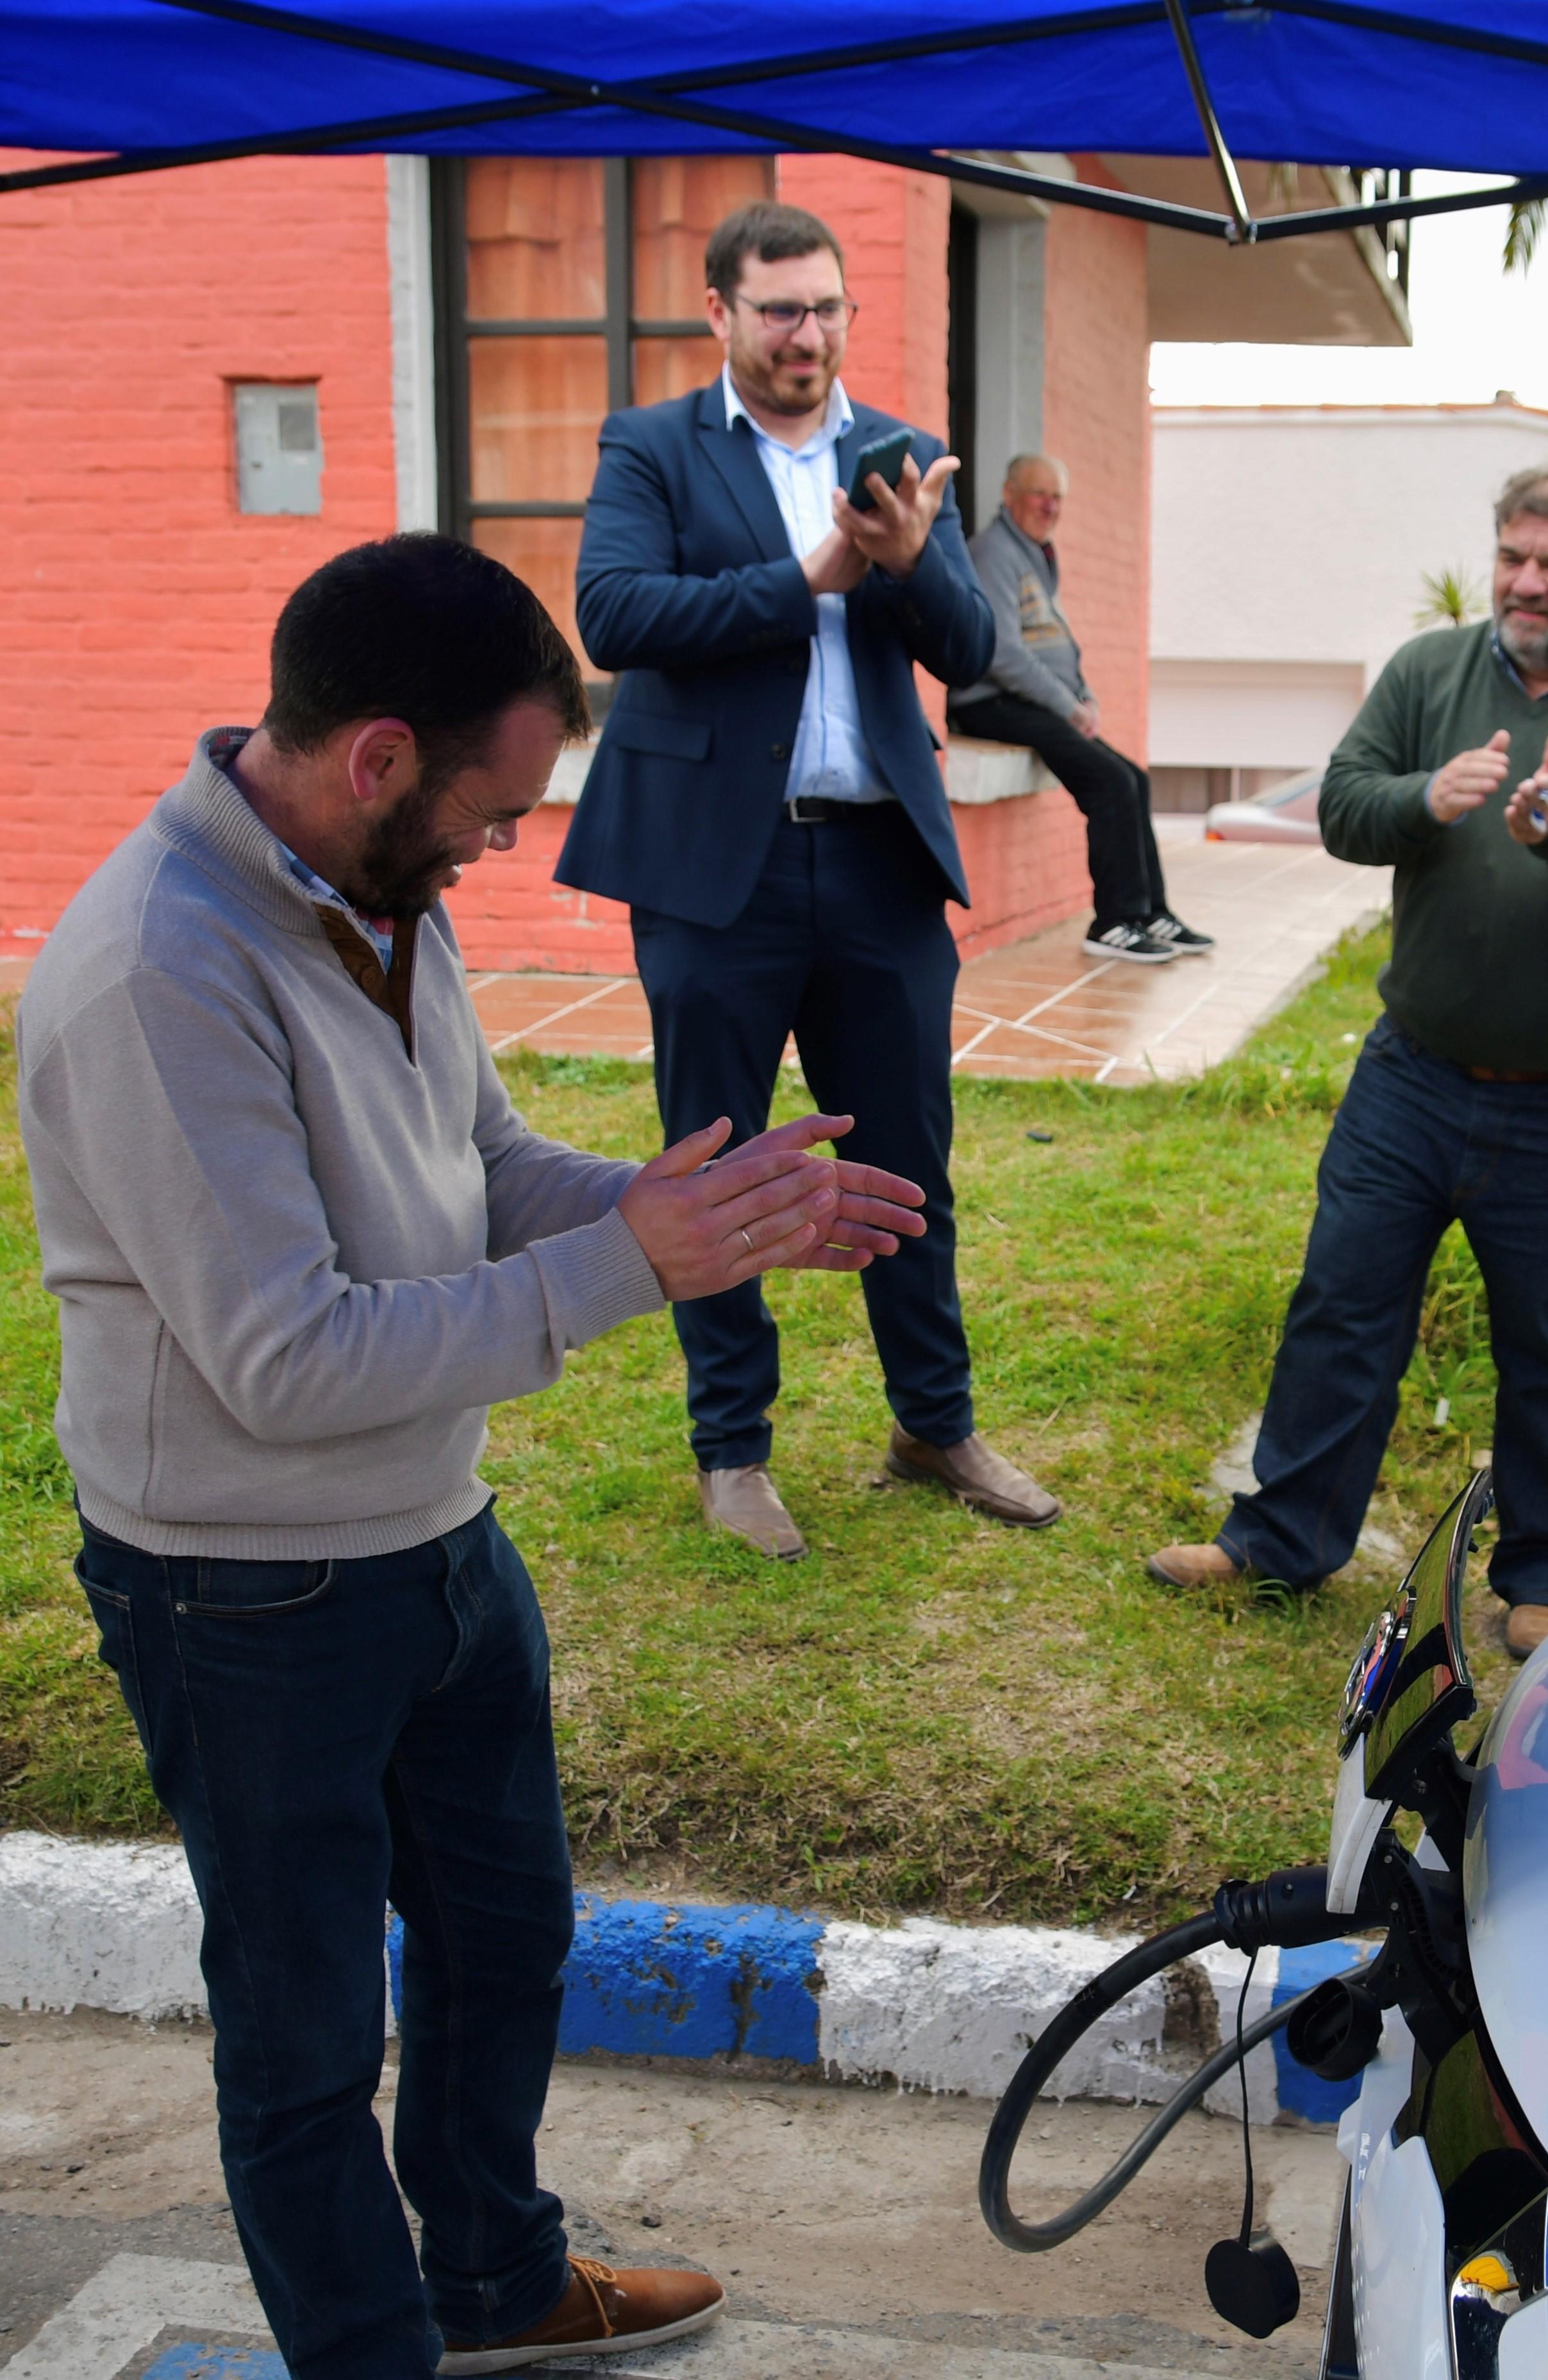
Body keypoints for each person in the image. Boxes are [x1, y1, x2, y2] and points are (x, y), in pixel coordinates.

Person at [17, 537, 929, 2379]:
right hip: (242, 1584)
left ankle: (499, 2283)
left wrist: (688, 1206)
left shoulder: (374, 894)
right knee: (300, 2042)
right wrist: (626, 1269)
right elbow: (284, 1357)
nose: (495, 849)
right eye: (488, 811)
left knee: (509, 1937)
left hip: (433, 1538)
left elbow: (482, 1161)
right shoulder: (152, 977)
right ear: (375, 759)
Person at [1145, 469, 1548, 1657]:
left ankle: (1544, 1576)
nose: (1526, 580)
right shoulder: (1429, 673)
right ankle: (1279, 1541)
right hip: (1413, 1076)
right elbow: (1345, 808)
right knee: (1341, 1307)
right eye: (1513, 554)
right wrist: (1426, 796)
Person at [562, 198, 1061, 1557]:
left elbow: (967, 650)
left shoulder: (897, 452)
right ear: (719, 314)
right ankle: (732, 1448)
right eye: (780, 307)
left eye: (828, 306)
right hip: (717, 867)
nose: (808, 332)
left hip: (880, 863)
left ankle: (933, 1421)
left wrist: (905, 566)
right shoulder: (654, 446)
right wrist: (810, 574)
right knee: (715, 1160)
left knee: (910, 1158)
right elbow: (614, 615)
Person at [951, 453, 1210, 966]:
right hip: (991, 703)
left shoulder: (1035, 553)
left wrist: (1083, 694)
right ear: (1009, 494)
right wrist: (1069, 707)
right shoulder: (994, 553)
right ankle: (1113, 921)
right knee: (1108, 782)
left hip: (1032, 701)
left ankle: (1150, 913)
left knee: (1132, 778)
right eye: (1037, 493)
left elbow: (1055, 642)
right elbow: (1003, 653)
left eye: (1057, 497)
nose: (1049, 505)